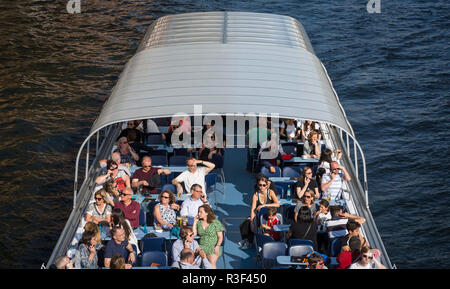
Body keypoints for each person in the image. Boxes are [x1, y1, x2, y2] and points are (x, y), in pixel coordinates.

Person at [193, 205, 224, 269]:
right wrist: (195, 222)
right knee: (193, 262)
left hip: (213, 247)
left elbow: (220, 237)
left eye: (201, 212)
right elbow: (194, 234)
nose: (199, 214)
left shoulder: (215, 222)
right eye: (198, 212)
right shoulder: (199, 222)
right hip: (201, 246)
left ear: (207, 213)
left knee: (211, 263)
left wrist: (217, 246)